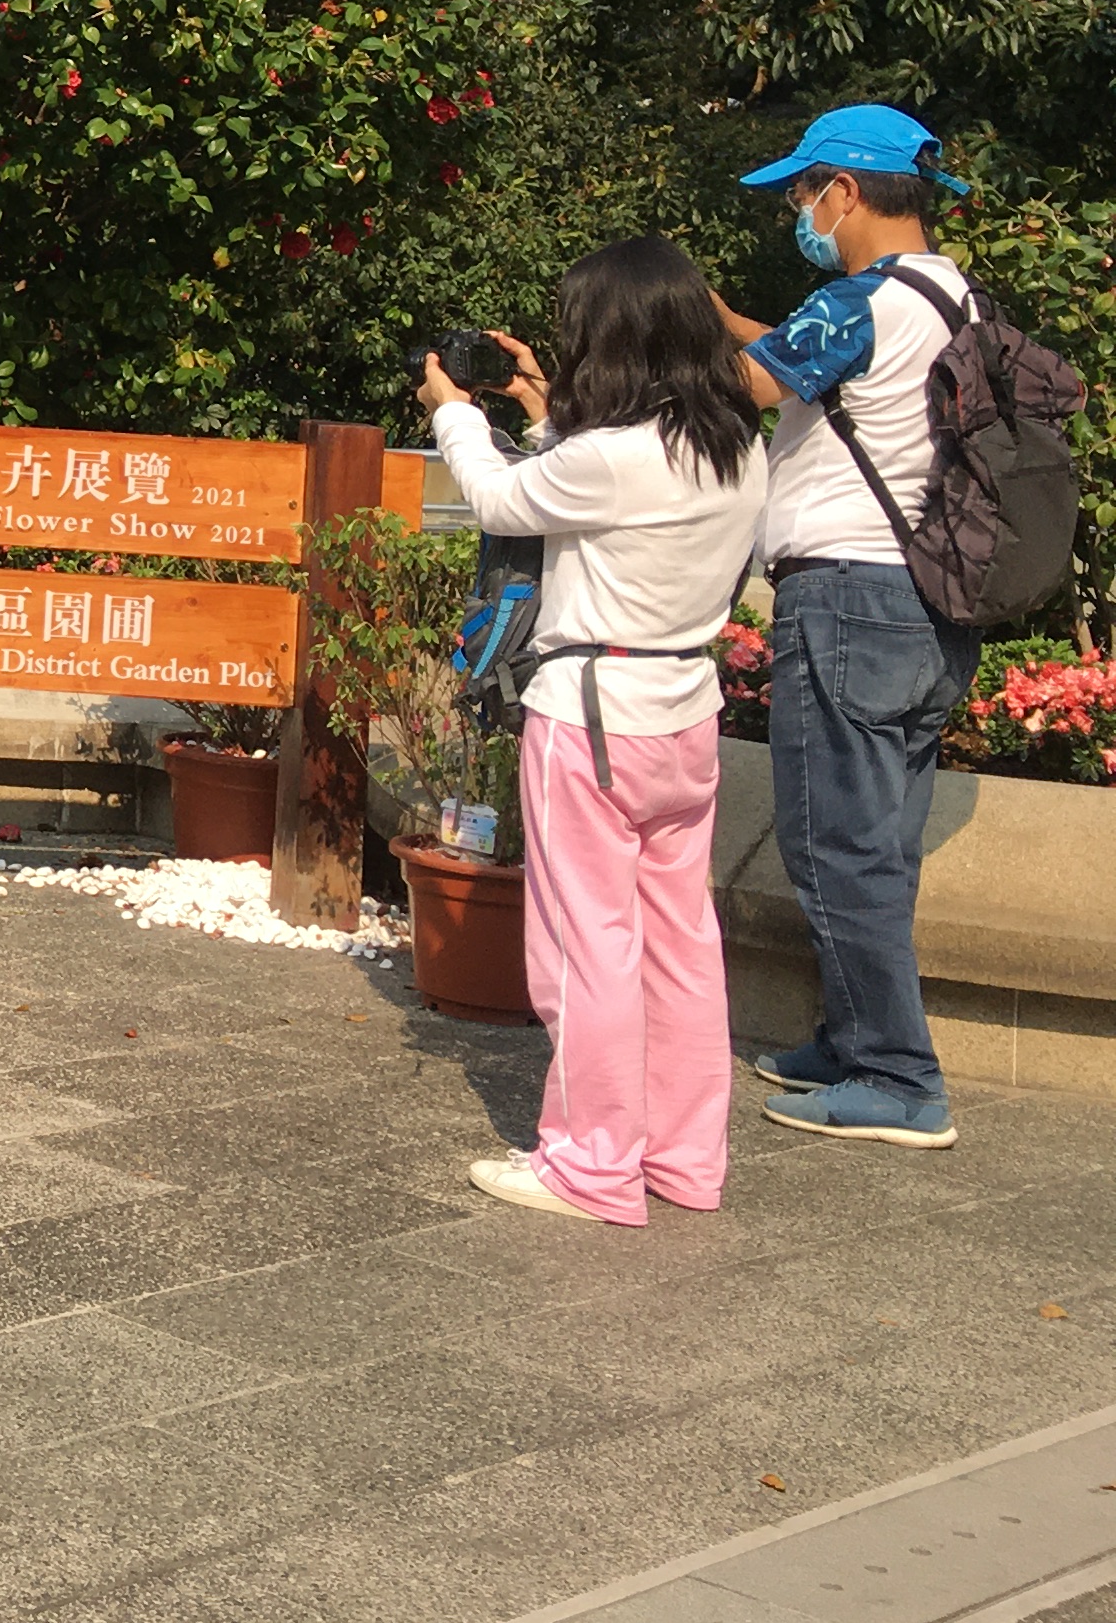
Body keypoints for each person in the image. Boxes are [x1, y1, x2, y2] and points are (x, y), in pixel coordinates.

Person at [418, 239, 766, 1225]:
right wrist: (538, 405)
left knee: (586, 945)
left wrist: (454, 409)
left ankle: (591, 1165)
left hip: (593, 713)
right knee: (679, 940)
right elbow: (585, 480)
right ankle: (685, 1158)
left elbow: (501, 497)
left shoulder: (611, 457)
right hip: (685, 713)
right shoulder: (735, 446)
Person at [712, 105, 982, 1151]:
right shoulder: (956, 298)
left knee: (837, 847)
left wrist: (666, 329)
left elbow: (749, 385)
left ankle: (898, 1077)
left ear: (848, 191)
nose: (800, 210)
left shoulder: (860, 300)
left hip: (848, 602)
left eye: (802, 191)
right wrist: (735, 317)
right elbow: (799, 357)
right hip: (926, 607)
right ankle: (853, 1034)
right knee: (882, 845)